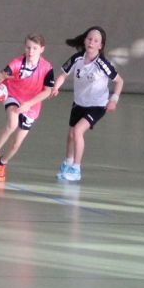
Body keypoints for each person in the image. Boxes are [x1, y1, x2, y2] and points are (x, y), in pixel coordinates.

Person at [0, 34, 59, 183]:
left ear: (42, 49)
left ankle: (2, 163)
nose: (31, 51)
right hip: (14, 95)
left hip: (32, 104)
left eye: (35, 48)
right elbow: (4, 73)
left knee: (16, 144)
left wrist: (29, 104)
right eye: (28, 47)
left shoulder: (47, 68)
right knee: (12, 123)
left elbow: (47, 91)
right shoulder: (17, 62)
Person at [56, 26, 122, 183]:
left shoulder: (103, 64)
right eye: (89, 39)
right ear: (85, 40)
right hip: (79, 103)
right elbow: (63, 75)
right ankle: (68, 163)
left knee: (78, 131)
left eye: (96, 41)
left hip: (97, 105)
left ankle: (76, 169)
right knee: (71, 134)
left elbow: (119, 81)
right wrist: (56, 87)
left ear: (100, 46)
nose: (91, 42)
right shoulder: (77, 58)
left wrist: (114, 99)